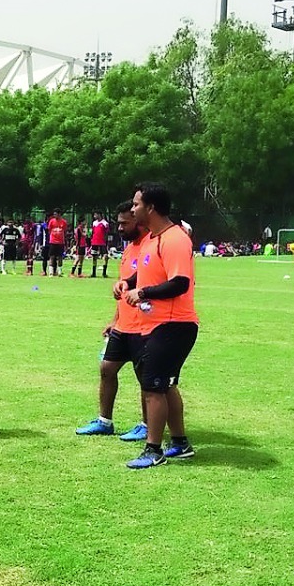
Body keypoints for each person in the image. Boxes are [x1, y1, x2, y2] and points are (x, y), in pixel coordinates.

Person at [122, 182, 198, 469]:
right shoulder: (153, 240)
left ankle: (153, 450)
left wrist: (141, 293)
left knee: (153, 387)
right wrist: (128, 284)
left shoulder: (175, 239)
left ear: (151, 208)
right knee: (165, 386)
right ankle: (180, 443)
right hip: (155, 325)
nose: (132, 209)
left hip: (173, 325)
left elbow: (180, 283)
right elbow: (146, 274)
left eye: (136, 204)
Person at [76, 201, 151, 441]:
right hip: (123, 325)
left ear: (138, 220)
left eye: (123, 223)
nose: (118, 228)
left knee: (145, 376)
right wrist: (114, 319)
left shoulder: (151, 245)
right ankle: (104, 421)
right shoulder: (129, 249)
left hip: (144, 324)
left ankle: (146, 424)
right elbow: (124, 287)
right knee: (107, 369)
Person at [46, 210, 67, 277]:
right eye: (54, 214)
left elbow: (65, 231)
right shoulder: (51, 221)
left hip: (61, 242)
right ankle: (51, 272)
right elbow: (49, 230)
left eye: (56, 214)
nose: (55, 216)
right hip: (53, 241)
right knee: (52, 256)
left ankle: (60, 272)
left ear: (59, 214)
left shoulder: (64, 222)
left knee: (60, 257)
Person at [89, 212, 109, 278]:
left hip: (102, 242)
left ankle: (104, 273)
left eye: (95, 214)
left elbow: (106, 233)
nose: (94, 216)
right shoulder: (94, 223)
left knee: (105, 256)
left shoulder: (105, 223)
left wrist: (105, 241)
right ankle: (94, 273)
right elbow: (93, 232)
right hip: (95, 242)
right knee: (94, 257)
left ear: (99, 215)